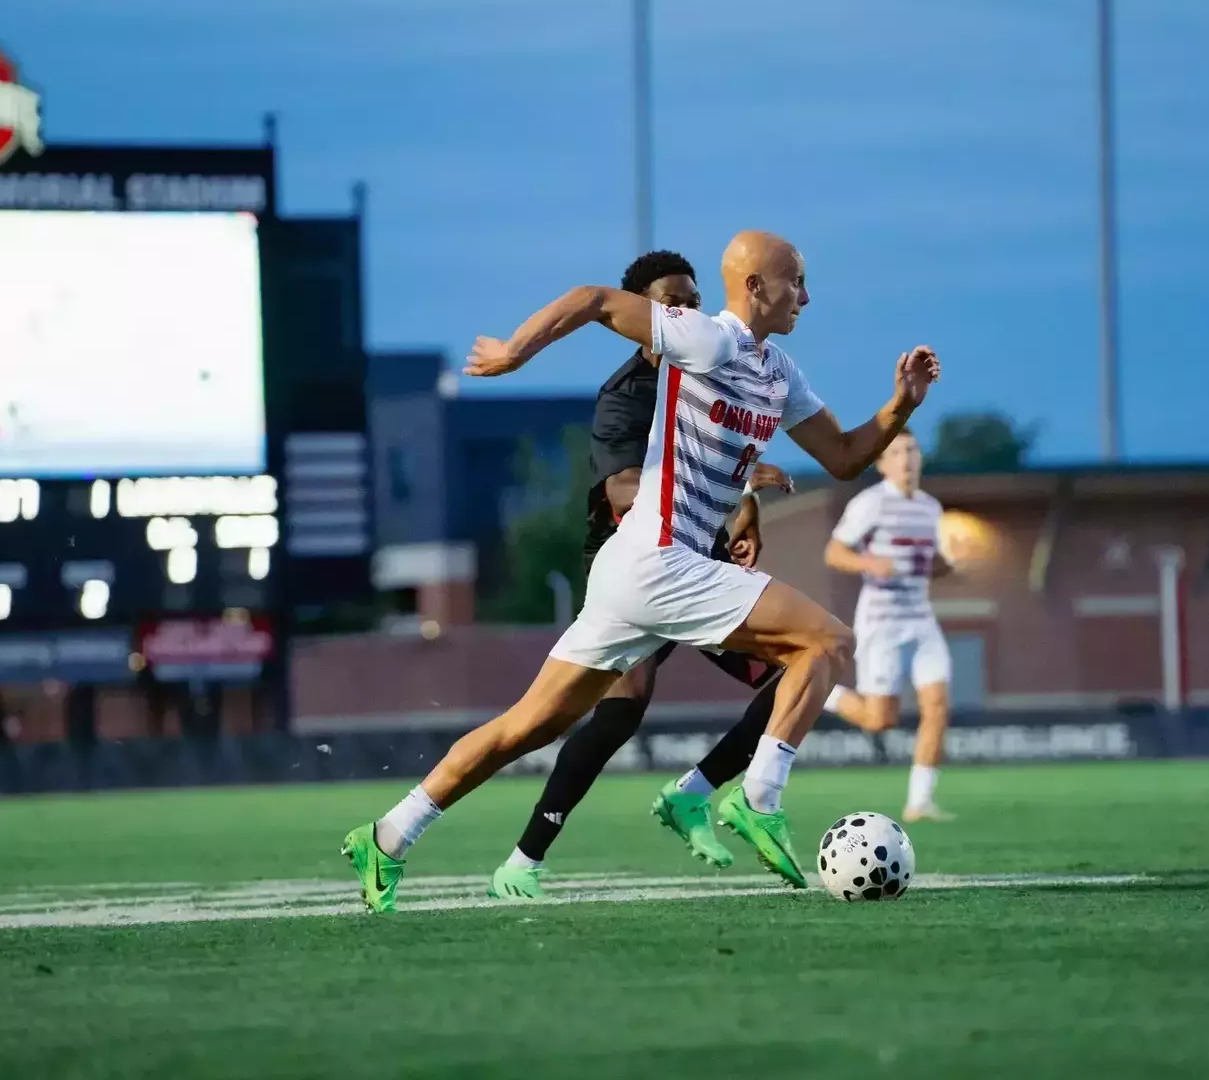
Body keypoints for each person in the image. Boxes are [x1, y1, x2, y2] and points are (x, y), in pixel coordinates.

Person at [343, 230, 940, 912]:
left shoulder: (779, 372)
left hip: (637, 571)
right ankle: (757, 798)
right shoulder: (707, 340)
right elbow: (596, 300)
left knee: (527, 727)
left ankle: (388, 835)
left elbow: (841, 455)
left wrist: (902, 405)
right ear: (754, 288)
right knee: (827, 642)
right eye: (795, 281)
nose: (806, 295)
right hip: (658, 562)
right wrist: (514, 351)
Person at [488, 250, 794, 901]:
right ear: (642, 313)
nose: (682, 310)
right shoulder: (625, 396)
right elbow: (627, 491)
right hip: (634, 567)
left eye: (689, 298)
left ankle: (696, 792)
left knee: (790, 677)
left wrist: (746, 505)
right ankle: (525, 857)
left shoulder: (711, 369)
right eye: (668, 301)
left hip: (695, 558)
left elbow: (724, 461)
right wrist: (745, 485)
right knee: (615, 713)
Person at [820, 430, 957, 821]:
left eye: (912, 449)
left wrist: (951, 563)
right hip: (881, 622)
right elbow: (834, 552)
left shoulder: (931, 508)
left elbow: (930, 564)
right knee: (880, 720)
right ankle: (822, 691)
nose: (906, 458)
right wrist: (870, 564)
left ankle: (920, 802)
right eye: (896, 452)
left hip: (920, 619)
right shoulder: (871, 503)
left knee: (937, 707)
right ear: (882, 463)